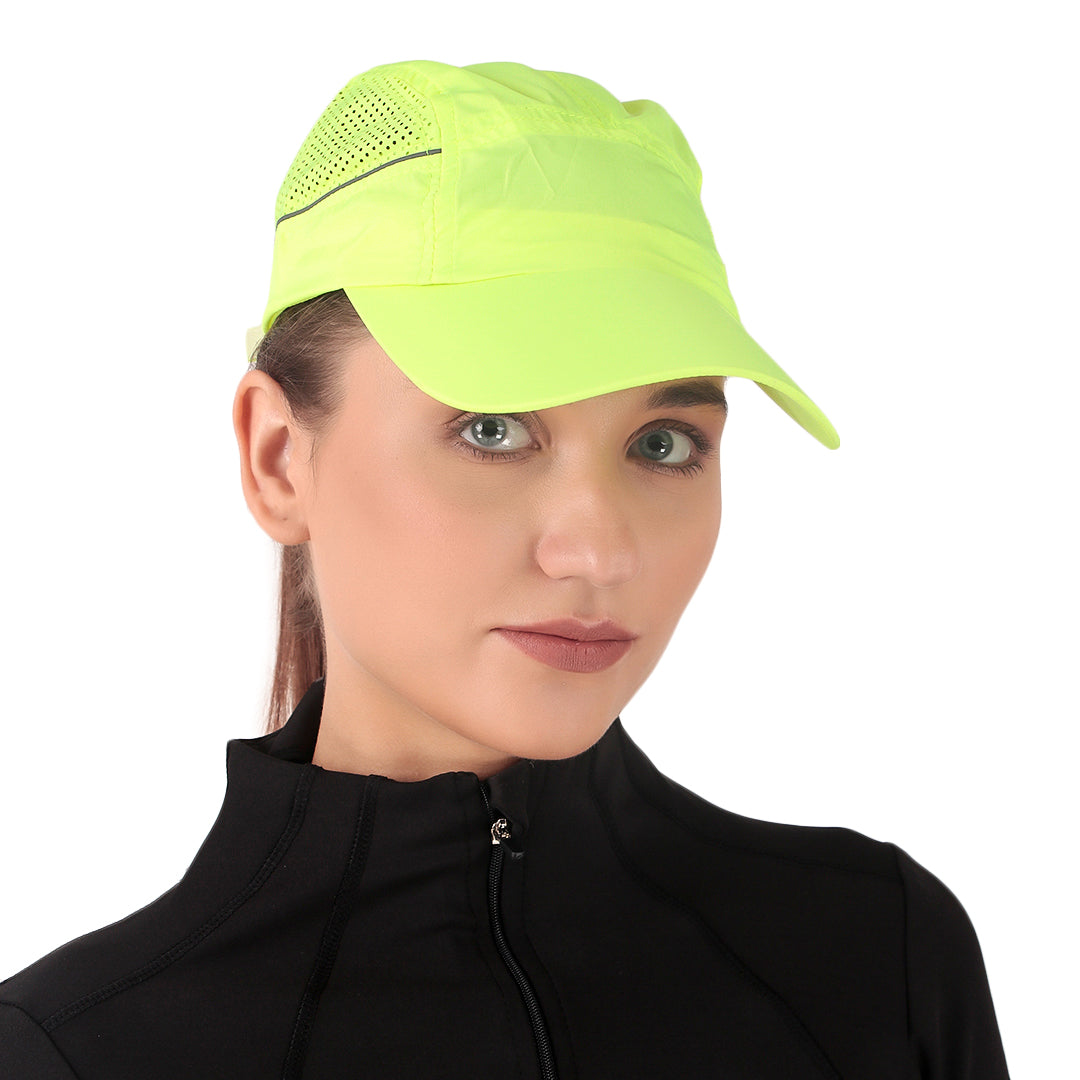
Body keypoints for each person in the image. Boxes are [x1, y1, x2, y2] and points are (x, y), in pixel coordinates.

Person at [0, 59, 1011, 1078]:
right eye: (492, 428)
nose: (599, 550)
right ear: (277, 459)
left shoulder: (879, 957)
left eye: (662, 443)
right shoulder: (71, 1054)